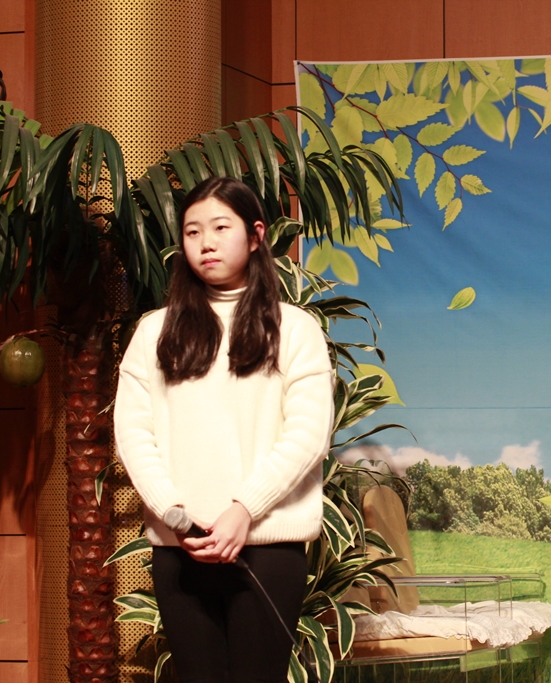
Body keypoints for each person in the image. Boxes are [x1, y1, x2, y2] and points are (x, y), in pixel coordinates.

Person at [114, 176, 334, 683]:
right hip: (181, 550)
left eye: (220, 227)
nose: (205, 243)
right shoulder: (153, 331)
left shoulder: (294, 328)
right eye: (192, 232)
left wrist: (244, 510)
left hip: (267, 548)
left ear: (256, 236)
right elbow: (133, 433)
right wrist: (175, 515)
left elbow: (307, 435)